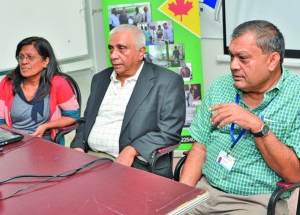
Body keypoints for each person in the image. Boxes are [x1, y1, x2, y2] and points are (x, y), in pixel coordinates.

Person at [179, 20, 300, 215]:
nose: (234, 65)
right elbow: (200, 147)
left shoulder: (296, 95)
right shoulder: (220, 86)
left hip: (255, 203)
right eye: (232, 57)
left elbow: (294, 174)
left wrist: (258, 126)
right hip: (204, 192)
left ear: (272, 60)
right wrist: (181, 197)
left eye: (243, 58)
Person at [70, 24, 186, 179]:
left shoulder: (167, 82)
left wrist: (132, 150)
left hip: (134, 163)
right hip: (90, 158)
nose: (113, 55)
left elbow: (170, 132)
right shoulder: (100, 79)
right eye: (111, 49)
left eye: (121, 48)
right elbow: (86, 121)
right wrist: (78, 146)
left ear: (140, 52)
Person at [0, 37, 79, 144]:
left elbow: (72, 116)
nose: (23, 62)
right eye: (21, 57)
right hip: (15, 142)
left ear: (45, 61)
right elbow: (1, 121)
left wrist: (46, 126)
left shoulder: (58, 83)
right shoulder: (8, 82)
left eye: (30, 57)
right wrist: (14, 139)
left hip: (44, 142)